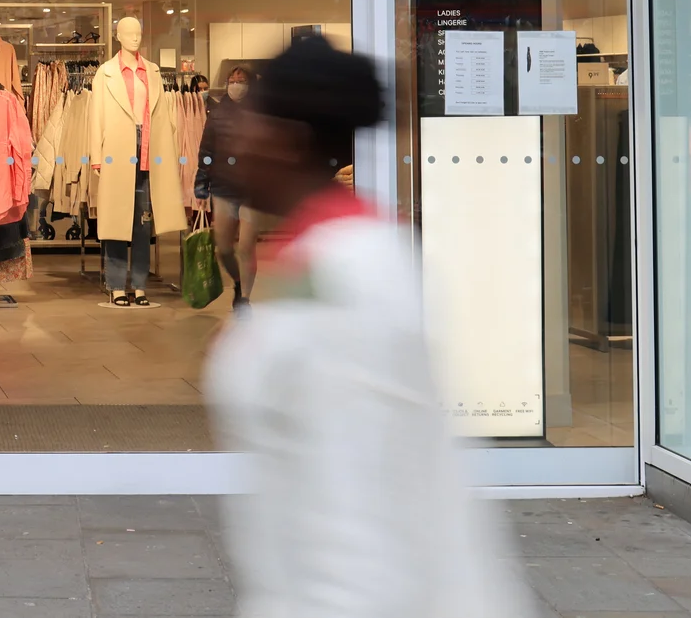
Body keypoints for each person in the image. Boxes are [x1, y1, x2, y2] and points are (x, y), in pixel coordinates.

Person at [205, 34, 530, 618]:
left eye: (247, 120)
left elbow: (354, 526)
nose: (233, 136)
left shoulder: (353, 273)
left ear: (288, 141)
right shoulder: (325, 255)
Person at [198, 64, 260, 309]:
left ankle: (244, 298)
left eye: (241, 80)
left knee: (245, 247)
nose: (236, 84)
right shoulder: (218, 113)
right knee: (223, 248)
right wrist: (201, 182)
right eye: (232, 80)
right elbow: (206, 150)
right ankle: (236, 282)